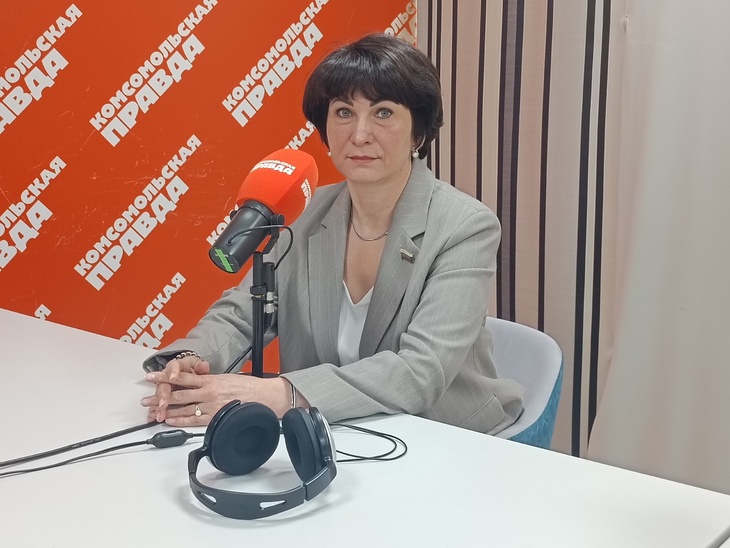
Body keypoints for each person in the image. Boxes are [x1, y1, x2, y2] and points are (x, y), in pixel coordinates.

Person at [141, 33, 523, 434]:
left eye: (383, 113)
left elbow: (419, 371)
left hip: (450, 434)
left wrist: (278, 393)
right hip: (341, 430)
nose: (359, 134)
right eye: (343, 112)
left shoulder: (466, 226)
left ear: (419, 133)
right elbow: (243, 315)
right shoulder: (303, 211)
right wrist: (190, 362)